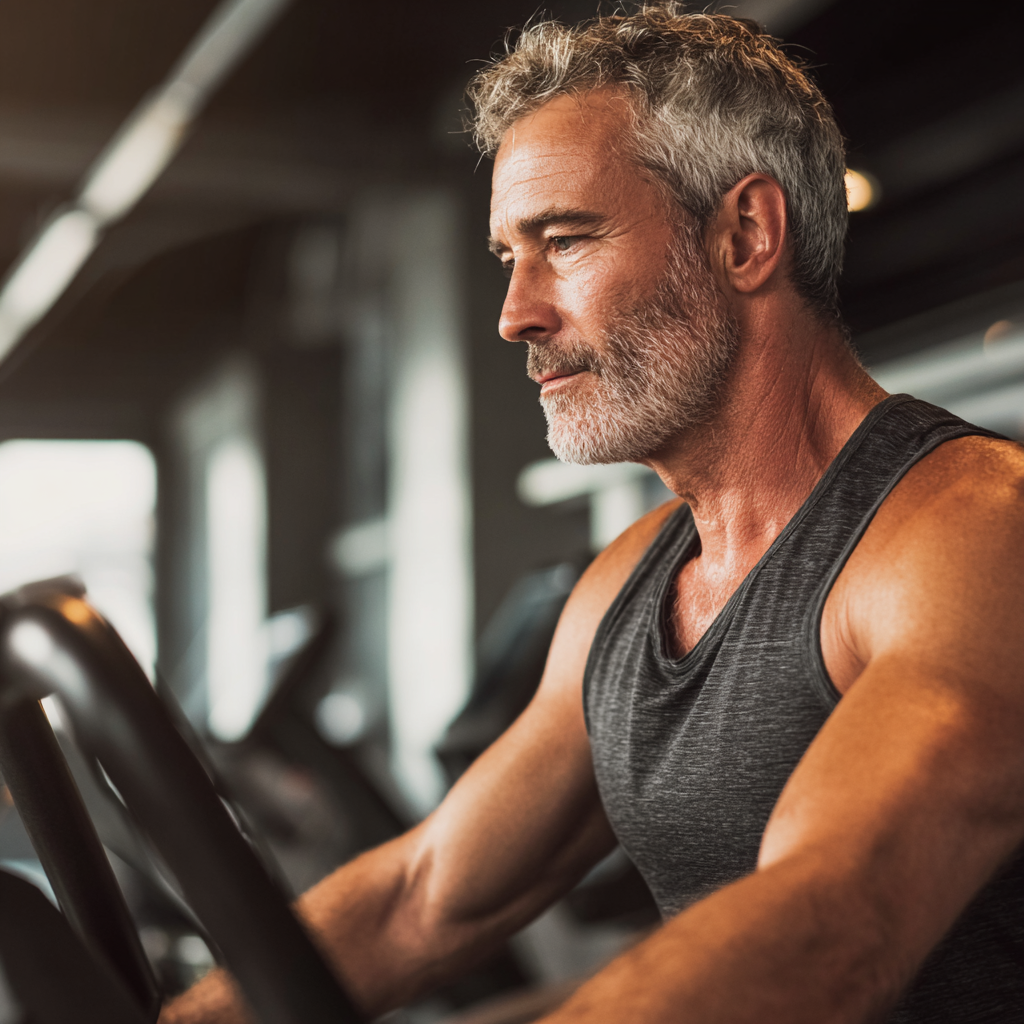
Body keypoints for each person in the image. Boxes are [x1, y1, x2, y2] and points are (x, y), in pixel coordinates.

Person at [164, 6, 1024, 1022]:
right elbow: (423, 897)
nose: (513, 313)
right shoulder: (625, 588)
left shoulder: (966, 531)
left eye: (563, 241)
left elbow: (831, 921)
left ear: (744, 235)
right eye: (505, 258)